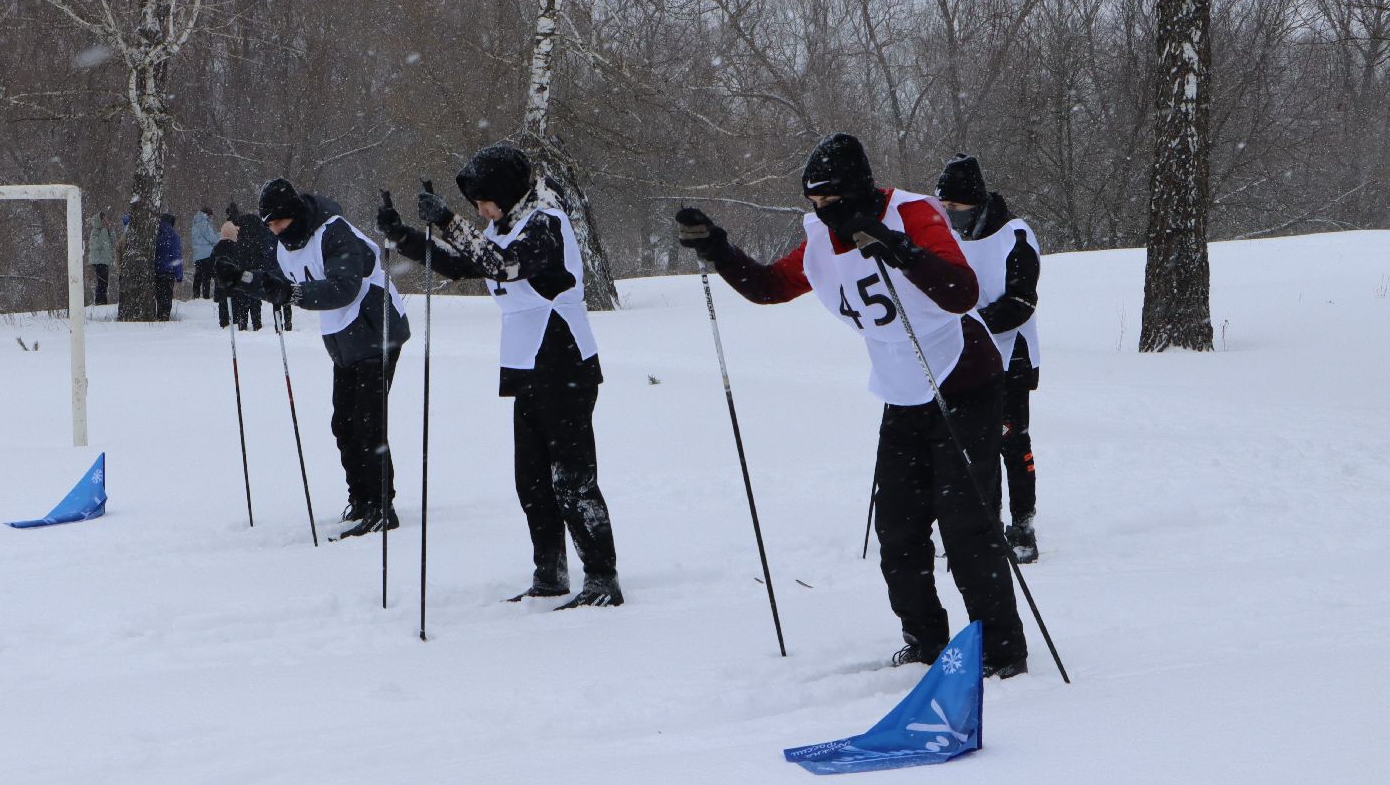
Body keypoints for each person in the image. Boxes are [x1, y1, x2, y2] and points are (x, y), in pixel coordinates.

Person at [674, 132, 1028, 677]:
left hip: (964, 380)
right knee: (898, 529)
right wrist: (717, 248)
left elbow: (960, 293)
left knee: (967, 529)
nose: (822, 211)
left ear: (858, 192)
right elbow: (770, 287)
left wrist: (898, 249)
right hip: (903, 390)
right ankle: (925, 642)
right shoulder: (822, 237)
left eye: (831, 200)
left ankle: (1002, 652)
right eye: (813, 201)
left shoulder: (912, 213)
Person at [376, 144, 623, 610]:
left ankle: (602, 578)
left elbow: (504, 265)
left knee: (571, 479)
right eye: (475, 205)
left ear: (507, 193)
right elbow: (463, 263)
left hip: (564, 358)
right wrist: (405, 236)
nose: (481, 210)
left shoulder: (547, 222)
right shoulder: (502, 228)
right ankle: (550, 573)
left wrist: (449, 221)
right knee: (531, 480)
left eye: (485, 201)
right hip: (526, 363)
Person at [216, 178, 411, 537]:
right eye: (269, 225)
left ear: (294, 215)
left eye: (279, 222)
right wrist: (242, 279)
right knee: (344, 423)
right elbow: (276, 282)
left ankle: (382, 506)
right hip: (344, 340)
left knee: (368, 423)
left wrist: (292, 293)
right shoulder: (285, 245)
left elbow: (344, 287)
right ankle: (362, 500)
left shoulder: (334, 233)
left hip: (376, 330)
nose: (275, 230)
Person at [935, 154, 1042, 564]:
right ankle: (985, 523)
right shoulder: (950, 238)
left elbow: (1020, 302)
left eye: (956, 209)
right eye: (944, 208)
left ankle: (1022, 525)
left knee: (1010, 441)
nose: (950, 216)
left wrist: (973, 323)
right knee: (971, 443)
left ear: (976, 204)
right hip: (963, 359)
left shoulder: (1014, 236)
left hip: (1010, 356)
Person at [231, 209, 271, 332]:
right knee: (255, 299)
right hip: (255, 273)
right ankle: (257, 323)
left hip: (242, 273)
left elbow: (235, 260)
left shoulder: (238, 242)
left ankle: (243, 323)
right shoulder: (257, 242)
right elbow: (262, 258)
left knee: (243, 299)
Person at [153, 212, 183, 322]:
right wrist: (179, 274)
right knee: (167, 295)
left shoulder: (155, 234)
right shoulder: (173, 236)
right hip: (168, 271)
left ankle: (159, 314)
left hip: (157, 271)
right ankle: (164, 316)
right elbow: (176, 255)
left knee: (159, 294)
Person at [212, 219, 241, 328]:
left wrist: (215, 275)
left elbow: (212, 263)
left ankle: (223, 322)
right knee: (235, 301)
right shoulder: (236, 247)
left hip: (221, 281)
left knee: (223, 302)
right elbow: (239, 262)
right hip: (234, 280)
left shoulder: (217, 247)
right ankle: (235, 320)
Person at [191, 207, 220, 300]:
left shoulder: (195, 223)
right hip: (206, 254)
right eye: (211, 215)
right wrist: (220, 234)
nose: (212, 218)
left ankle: (196, 295)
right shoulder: (205, 224)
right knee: (207, 275)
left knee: (198, 275)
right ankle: (205, 297)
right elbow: (213, 239)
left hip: (197, 254)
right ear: (207, 214)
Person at [87, 211, 115, 305]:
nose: (105, 221)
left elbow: (113, 242)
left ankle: (103, 300)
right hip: (98, 260)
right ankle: (100, 301)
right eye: (103, 219)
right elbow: (96, 244)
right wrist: (104, 230)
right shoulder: (95, 231)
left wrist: (110, 230)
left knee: (104, 282)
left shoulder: (105, 230)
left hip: (105, 260)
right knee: (102, 282)